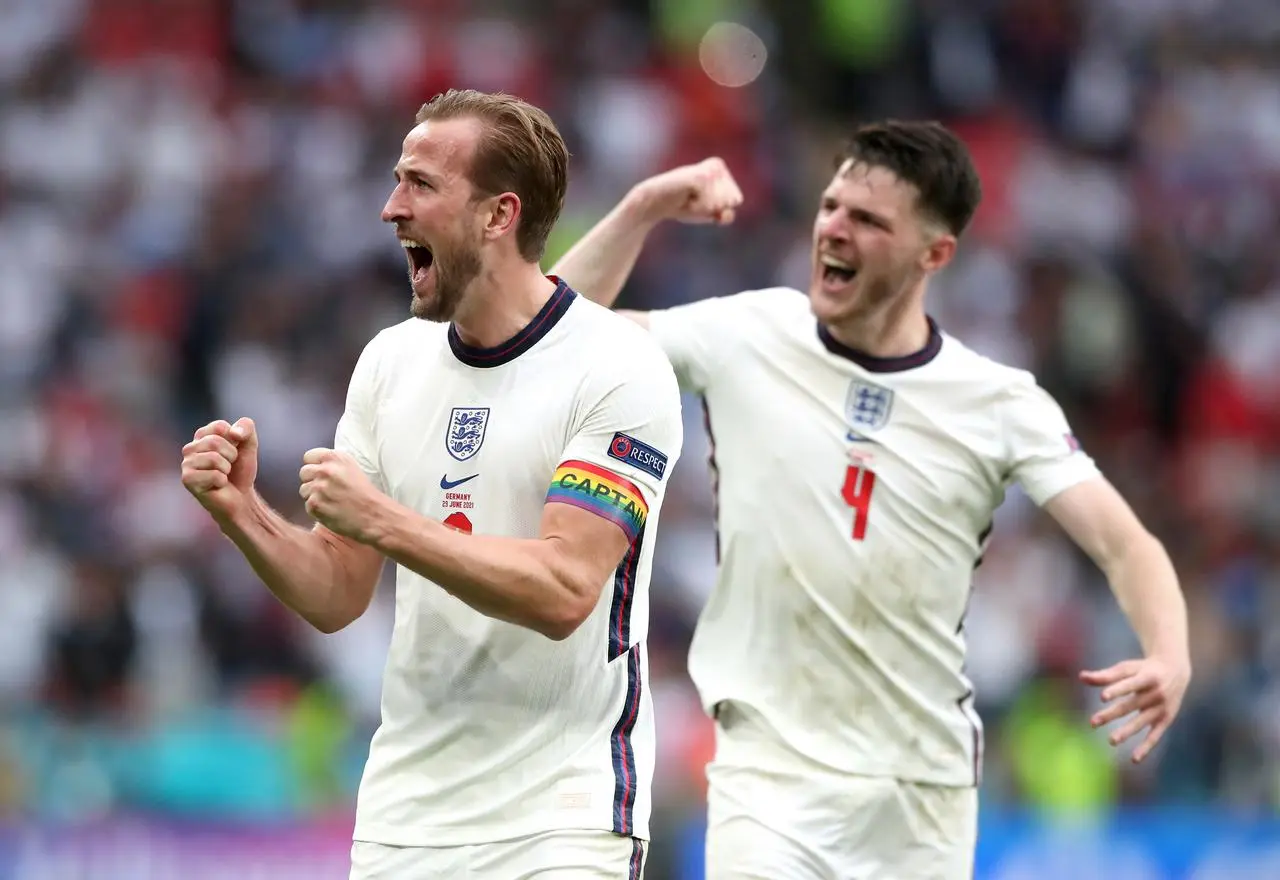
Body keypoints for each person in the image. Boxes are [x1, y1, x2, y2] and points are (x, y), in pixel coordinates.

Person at [551, 122, 1192, 878]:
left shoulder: (997, 401)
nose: (834, 230)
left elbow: (1126, 544)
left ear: (935, 254)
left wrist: (1170, 654)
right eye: (830, 207)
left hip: (919, 794)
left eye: (868, 220)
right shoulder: (747, 333)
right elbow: (555, 339)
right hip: (768, 773)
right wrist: (644, 207)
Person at [180, 89, 682, 880]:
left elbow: (563, 589)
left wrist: (386, 522)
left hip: (562, 823)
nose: (390, 208)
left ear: (497, 215)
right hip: (405, 824)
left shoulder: (614, 367)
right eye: (396, 180)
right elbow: (339, 593)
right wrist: (245, 514)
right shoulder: (391, 363)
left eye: (420, 185)